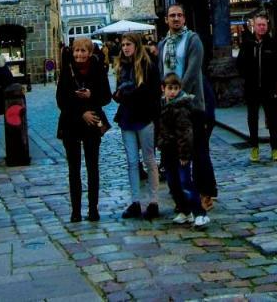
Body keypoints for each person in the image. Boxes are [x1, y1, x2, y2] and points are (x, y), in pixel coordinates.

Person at [158, 4, 217, 210]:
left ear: (184, 19)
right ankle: (182, 197)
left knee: (200, 150)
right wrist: (166, 97)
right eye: (172, 15)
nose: (176, 18)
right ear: (166, 19)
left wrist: (178, 93)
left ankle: (206, 193)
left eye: (179, 15)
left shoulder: (192, 40)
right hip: (170, 108)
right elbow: (161, 72)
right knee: (175, 153)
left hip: (191, 104)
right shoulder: (163, 45)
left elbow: (193, 70)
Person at [56, 36, 111, 222]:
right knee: (74, 169)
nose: (79, 54)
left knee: (92, 167)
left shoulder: (98, 70)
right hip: (71, 123)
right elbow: (61, 99)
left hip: (91, 125)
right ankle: (76, 210)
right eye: (76, 51)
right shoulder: (66, 70)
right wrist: (82, 113)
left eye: (83, 51)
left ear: (90, 52)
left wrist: (91, 95)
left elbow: (106, 97)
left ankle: (93, 209)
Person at [113, 33, 160, 220]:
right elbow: (121, 91)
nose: (125, 48)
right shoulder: (121, 67)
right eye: (123, 44)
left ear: (136, 46)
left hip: (144, 116)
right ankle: (135, 201)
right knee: (132, 161)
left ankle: (153, 201)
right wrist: (118, 95)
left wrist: (127, 96)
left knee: (149, 160)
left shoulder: (148, 66)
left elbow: (152, 93)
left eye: (129, 44)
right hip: (127, 117)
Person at [159, 73, 207, 228]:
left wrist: (185, 154)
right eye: (169, 88)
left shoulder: (181, 107)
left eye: (175, 88)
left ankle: (200, 213)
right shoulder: (162, 105)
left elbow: (185, 133)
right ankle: (185, 211)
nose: (172, 92)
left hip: (180, 152)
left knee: (185, 181)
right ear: (163, 89)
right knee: (173, 183)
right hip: (167, 150)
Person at [237, 12, 277, 162]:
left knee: (273, 119)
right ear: (254, 26)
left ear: (267, 26)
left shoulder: (272, 43)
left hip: (269, 88)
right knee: (252, 119)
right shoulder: (247, 43)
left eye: (264, 25)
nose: (262, 27)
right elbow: (239, 64)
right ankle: (254, 147)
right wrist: (246, 77)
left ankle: (275, 148)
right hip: (252, 88)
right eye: (259, 25)